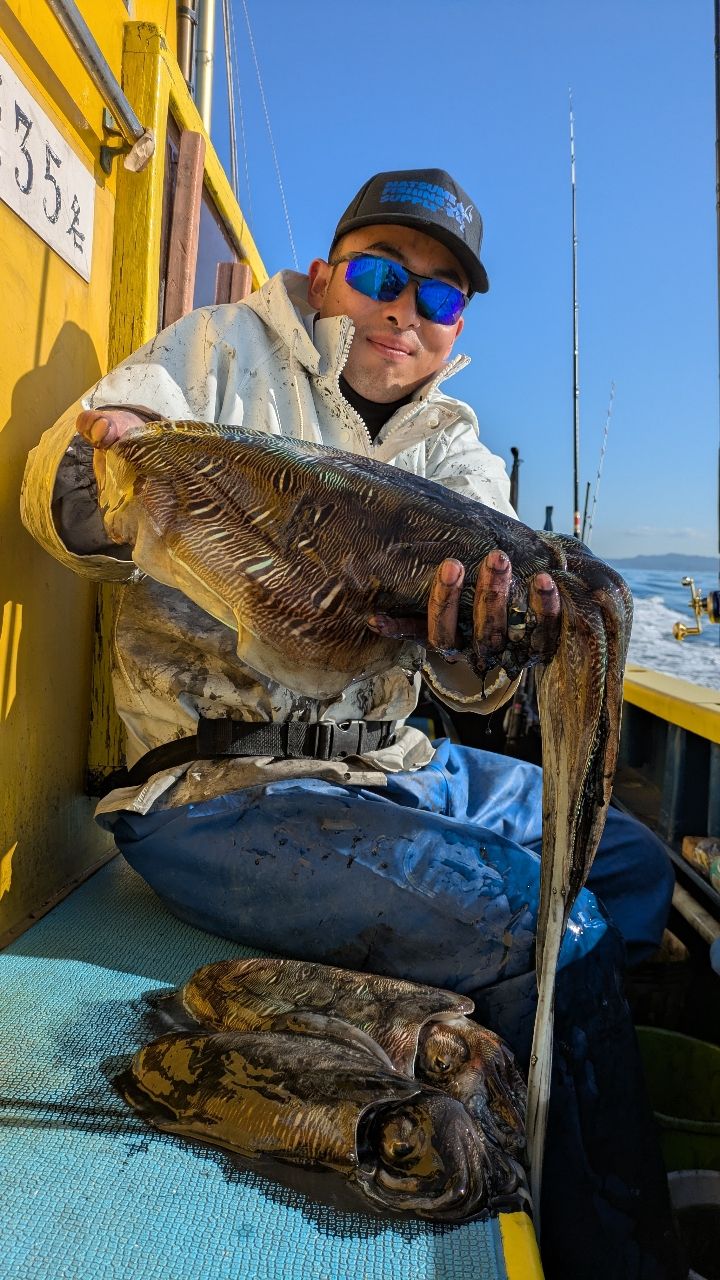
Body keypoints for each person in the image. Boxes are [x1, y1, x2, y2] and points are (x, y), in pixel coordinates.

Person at [21, 169, 680, 1278]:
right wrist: (118, 456)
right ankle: (612, 1247)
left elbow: (473, 684)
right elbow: (57, 505)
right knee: (541, 922)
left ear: (458, 325)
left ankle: (561, 1070)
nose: (402, 310)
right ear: (327, 272)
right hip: (226, 792)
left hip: (392, 768)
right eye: (379, 273)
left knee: (620, 859)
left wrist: (489, 640)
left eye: (439, 298)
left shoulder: (456, 447)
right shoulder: (219, 351)